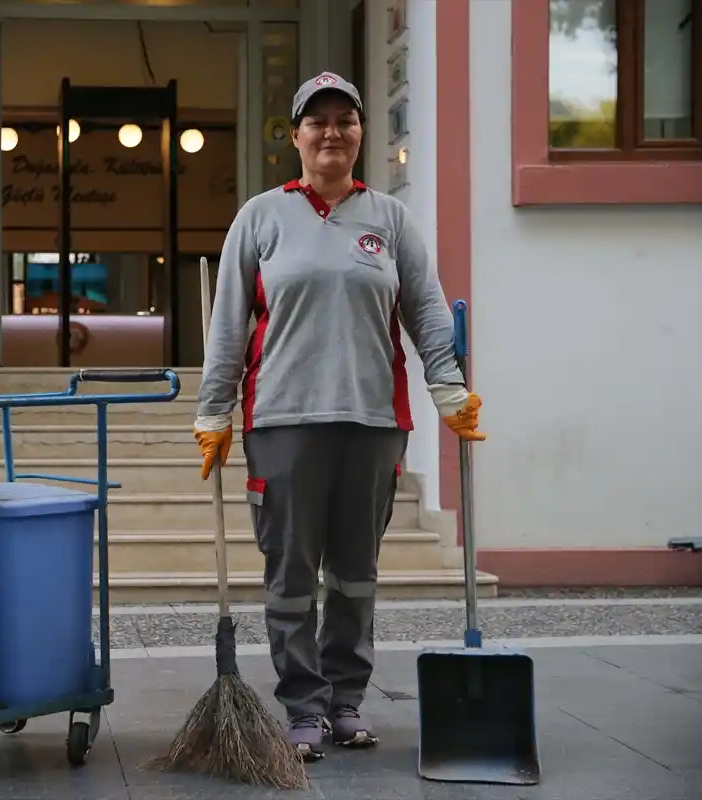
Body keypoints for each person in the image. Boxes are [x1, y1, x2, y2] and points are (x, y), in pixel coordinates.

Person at [195, 72, 485, 761]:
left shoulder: (390, 220)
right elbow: (228, 326)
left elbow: (426, 313)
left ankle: (346, 701)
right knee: (291, 571)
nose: (331, 132)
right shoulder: (261, 217)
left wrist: (448, 387)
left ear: (361, 134)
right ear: (295, 135)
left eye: (344, 121)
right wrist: (214, 410)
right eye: (316, 121)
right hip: (283, 421)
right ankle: (303, 706)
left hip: (372, 421)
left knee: (355, 571)